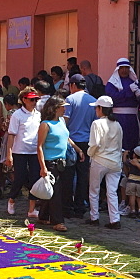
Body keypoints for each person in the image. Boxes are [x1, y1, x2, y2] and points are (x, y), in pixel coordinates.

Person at [36, 96, 82, 232]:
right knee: (56, 191)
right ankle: (57, 221)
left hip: (63, 161)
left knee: (56, 189)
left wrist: (78, 149)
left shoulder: (61, 121)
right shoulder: (45, 124)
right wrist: (43, 166)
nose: (65, 109)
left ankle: (43, 215)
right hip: (51, 162)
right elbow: (39, 146)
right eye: (62, 106)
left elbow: (66, 137)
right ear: (55, 108)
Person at [86, 95, 123, 229]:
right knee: (112, 192)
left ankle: (94, 217)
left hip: (100, 160)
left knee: (94, 190)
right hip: (115, 162)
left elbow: (94, 144)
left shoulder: (97, 123)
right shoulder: (117, 124)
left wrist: (90, 154)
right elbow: (119, 145)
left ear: (100, 108)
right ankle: (115, 219)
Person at [4, 88, 42, 218]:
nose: (34, 102)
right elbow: (11, 135)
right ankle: (12, 199)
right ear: (24, 100)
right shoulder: (17, 115)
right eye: (31, 100)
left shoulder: (38, 114)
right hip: (20, 151)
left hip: (34, 151)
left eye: (36, 99)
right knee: (19, 178)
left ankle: (31, 209)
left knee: (34, 179)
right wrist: (9, 153)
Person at [64, 74, 98, 217]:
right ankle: (80, 206)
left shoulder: (70, 100)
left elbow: (65, 121)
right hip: (87, 142)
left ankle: (67, 207)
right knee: (83, 176)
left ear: (72, 85)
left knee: (68, 175)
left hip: (71, 142)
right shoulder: (94, 101)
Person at [104, 57, 140, 151]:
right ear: (118, 69)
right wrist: (128, 91)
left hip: (132, 117)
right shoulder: (112, 83)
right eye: (122, 68)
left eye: (126, 68)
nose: (124, 70)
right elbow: (112, 97)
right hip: (118, 116)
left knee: (132, 139)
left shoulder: (134, 82)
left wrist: (138, 94)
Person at [124, 145, 140, 216]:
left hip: (131, 182)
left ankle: (133, 211)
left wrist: (125, 155)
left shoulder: (132, 162)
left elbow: (125, 162)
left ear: (134, 155)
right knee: (139, 197)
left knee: (132, 196)